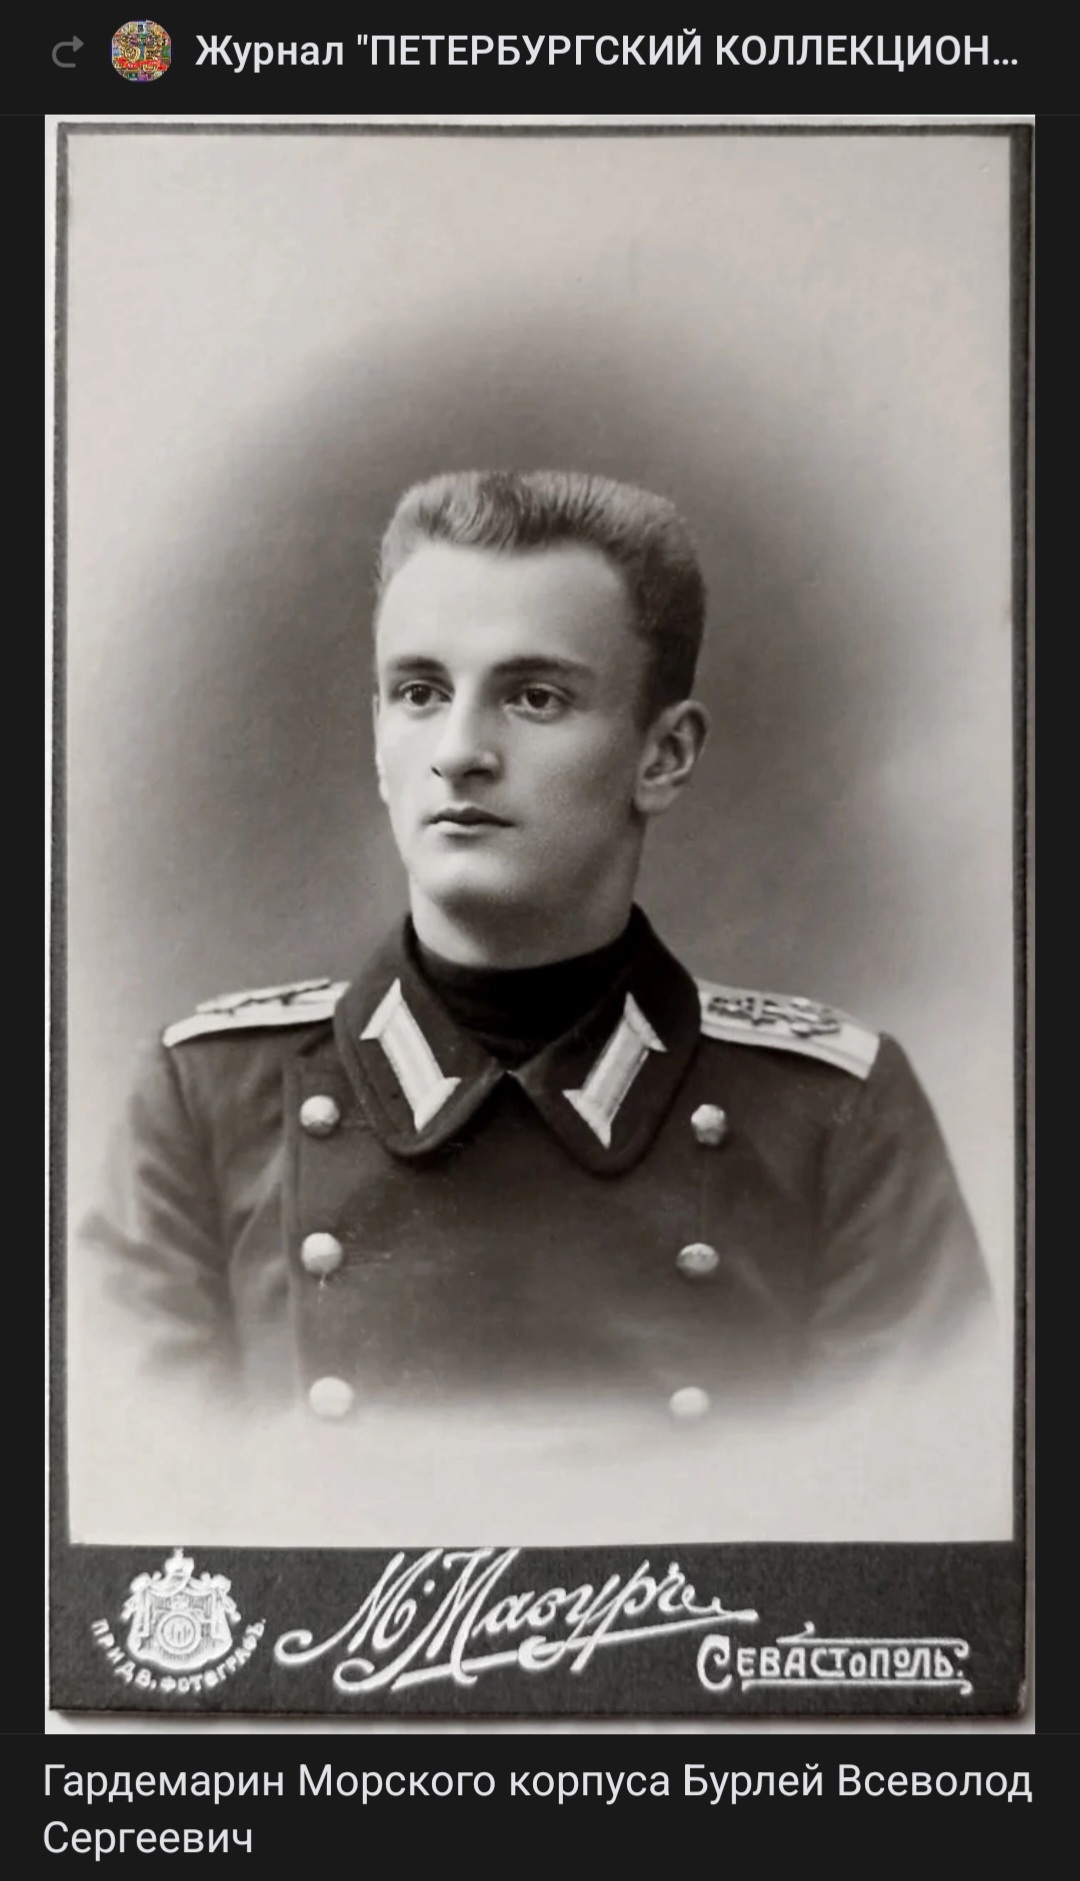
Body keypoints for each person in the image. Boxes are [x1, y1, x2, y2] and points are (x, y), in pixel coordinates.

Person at [79, 469, 990, 1432]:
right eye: (420, 692)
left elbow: (902, 1497)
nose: (458, 750)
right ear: (379, 736)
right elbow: (148, 1486)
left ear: (664, 756)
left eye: (535, 697)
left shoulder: (833, 1114)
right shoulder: (207, 1101)